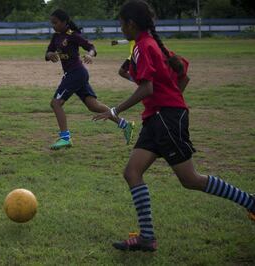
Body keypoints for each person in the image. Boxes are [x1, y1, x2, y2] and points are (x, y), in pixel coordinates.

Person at [93, 0, 254, 252]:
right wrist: (171, 102)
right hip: (157, 118)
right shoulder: (152, 44)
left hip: (164, 119)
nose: (120, 29)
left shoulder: (143, 46)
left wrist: (116, 111)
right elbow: (183, 75)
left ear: (131, 24)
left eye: (121, 24)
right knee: (132, 173)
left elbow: (147, 88)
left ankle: (251, 202)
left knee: (190, 179)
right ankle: (147, 237)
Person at [46, 9, 135, 150]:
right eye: (52, 23)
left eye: (55, 22)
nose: (53, 25)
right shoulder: (56, 36)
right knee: (93, 106)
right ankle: (125, 124)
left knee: (55, 103)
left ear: (64, 22)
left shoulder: (73, 35)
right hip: (74, 74)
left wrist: (90, 55)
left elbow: (91, 47)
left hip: (76, 73)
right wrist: (50, 54)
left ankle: (65, 138)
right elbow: (48, 53)